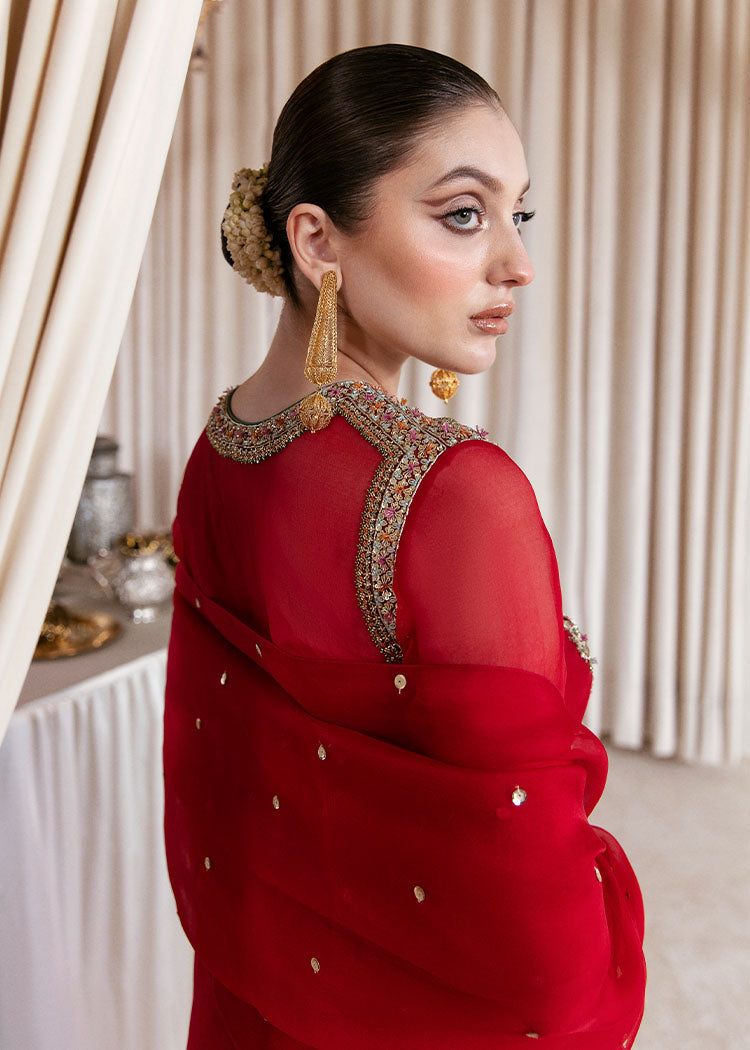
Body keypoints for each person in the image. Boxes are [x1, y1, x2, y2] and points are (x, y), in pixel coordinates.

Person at [164, 43, 646, 1050]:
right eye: (464, 214)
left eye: (518, 215)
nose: (517, 263)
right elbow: (543, 949)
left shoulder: (217, 449)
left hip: (254, 1001)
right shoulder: (455, 497)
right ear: (316, 241)